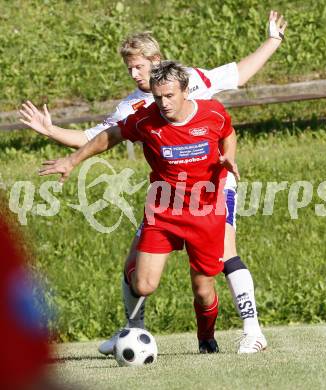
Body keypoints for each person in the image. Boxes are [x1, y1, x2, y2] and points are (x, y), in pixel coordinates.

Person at [19, 10, 287, 354]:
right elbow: (96, 137)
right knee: (136, 268)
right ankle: (133, 329)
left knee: (223, 253)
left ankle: (252, 330)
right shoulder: (132, 107)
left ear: (157, 62)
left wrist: (272, 40)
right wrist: (52, 131)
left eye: (139, 66)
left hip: (213, 183)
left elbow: (239, 74)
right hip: (167, 195)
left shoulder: (190, 80)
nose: (133, 74)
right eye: (128, 68)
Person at [38, 60, 243, 354]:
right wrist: (72, 161)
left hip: (206, 212)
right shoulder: (146, 119)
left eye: (170, 96)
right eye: (158, 97)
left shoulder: (212, 113)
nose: (163, 103)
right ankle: (133, 326)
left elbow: (228, 133)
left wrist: (228, 157)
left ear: (186, 91)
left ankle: (206, 338)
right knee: (143, 284)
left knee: (203, 290)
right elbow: (111, 135)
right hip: (163, 212)